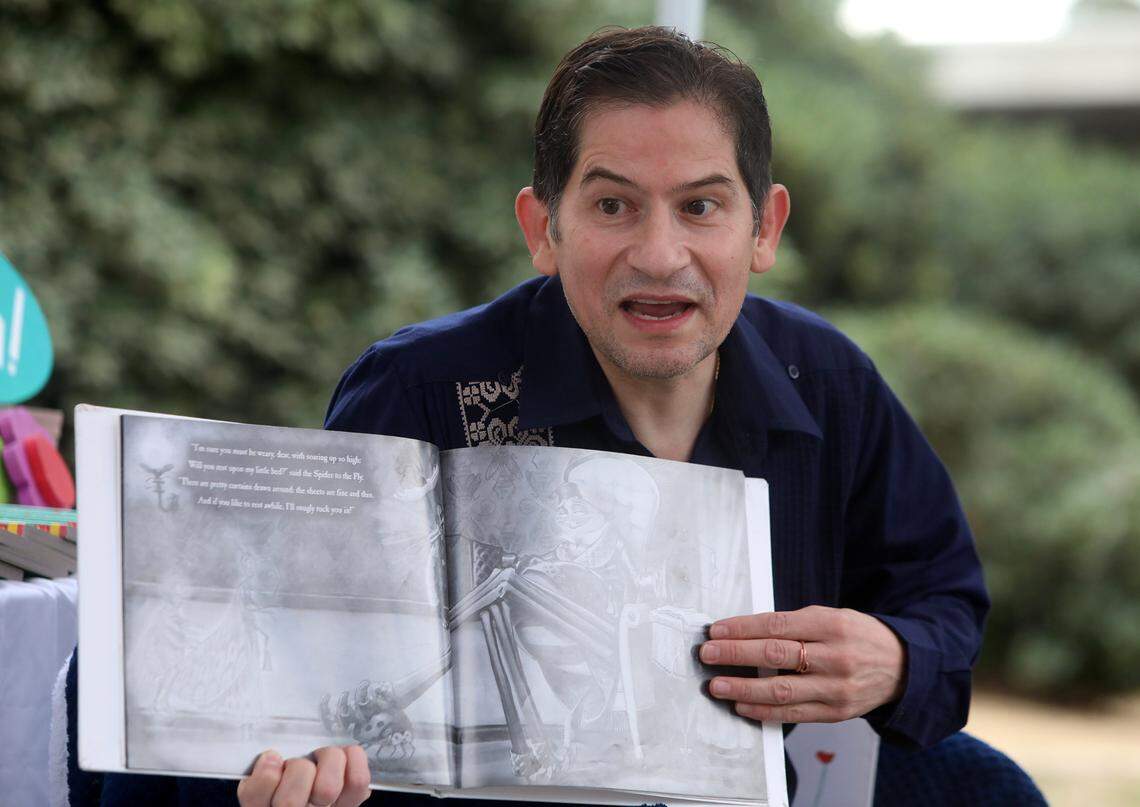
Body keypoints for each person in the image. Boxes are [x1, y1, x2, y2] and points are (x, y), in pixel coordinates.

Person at [70, 25, 987, 807]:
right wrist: (292, 771)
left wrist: (898, 660)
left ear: (764, 228)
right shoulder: (419, 390)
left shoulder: (826, 380)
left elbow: (943, 597)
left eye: (701, 206)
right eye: (613, 205)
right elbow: (307, 673)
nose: (660, 254)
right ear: (542, 228)